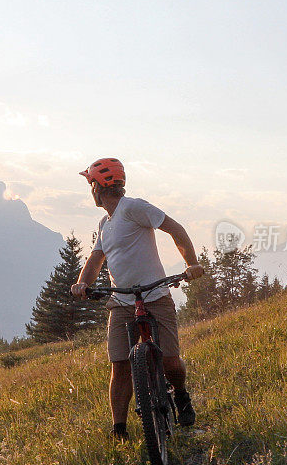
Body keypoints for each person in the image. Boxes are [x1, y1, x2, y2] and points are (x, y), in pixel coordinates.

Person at [70, 157, 204, 440]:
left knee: (170, 361)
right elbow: (96, 259)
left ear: (97, 186)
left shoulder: (134, 207)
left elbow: (175, 229)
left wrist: (191, 264)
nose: (90, 190)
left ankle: (180, 394)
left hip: (155, 295)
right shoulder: (105, 222)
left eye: (90, 184)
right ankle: (119, 430)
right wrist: (83, 283)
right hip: (120, 302)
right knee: (120, 365)